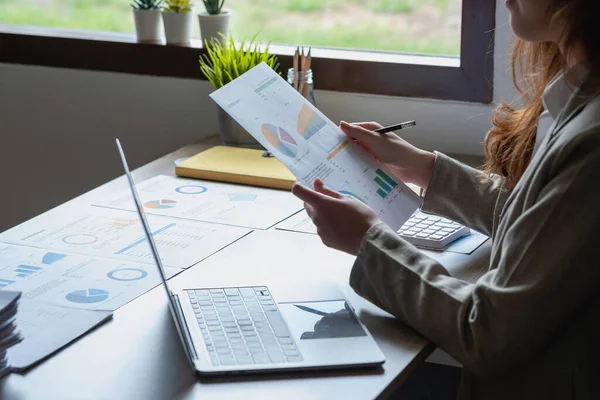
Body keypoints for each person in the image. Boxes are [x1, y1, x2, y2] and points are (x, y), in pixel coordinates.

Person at [291, 0, 600, 398]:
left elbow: (487, 330)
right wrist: (422, 167)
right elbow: (545, 223)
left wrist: (369, 241)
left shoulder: (591, 142)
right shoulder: (577, 95)